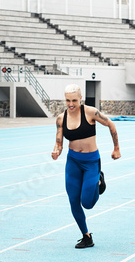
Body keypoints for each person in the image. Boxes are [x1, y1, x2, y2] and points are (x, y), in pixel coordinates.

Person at [52, 84, 121, 248]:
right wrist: (56, 151)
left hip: (91, 162)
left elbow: (111, 124)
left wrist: (116, 148)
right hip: (73, 162)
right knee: (73, 201)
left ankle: (99, 180)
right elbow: (59, 142)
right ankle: (86, 236)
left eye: (74, 100)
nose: (71, 104)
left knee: (87, 203)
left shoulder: (90, 112)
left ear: (80, 98)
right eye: (68, 100)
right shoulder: (61, 119)